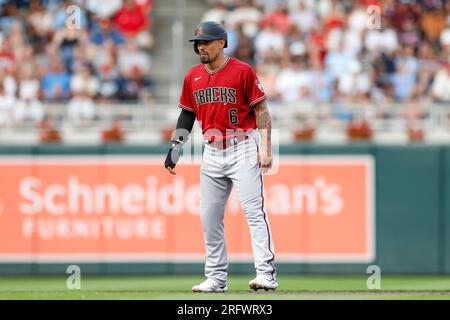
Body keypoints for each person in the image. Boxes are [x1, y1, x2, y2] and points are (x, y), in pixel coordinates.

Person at [164, 21, 277, 293]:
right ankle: (216, 278)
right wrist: (176, 147)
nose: (200, 46)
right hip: (212, 150)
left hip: (243, 146)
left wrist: (266, 147)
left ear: (221, 43)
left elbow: (261, 110)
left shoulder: (242, 71)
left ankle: (266, 274)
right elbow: (187, 114)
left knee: (253, 213)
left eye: (205, 42)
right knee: (209, 217)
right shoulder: (193, 76)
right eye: (197, 43)